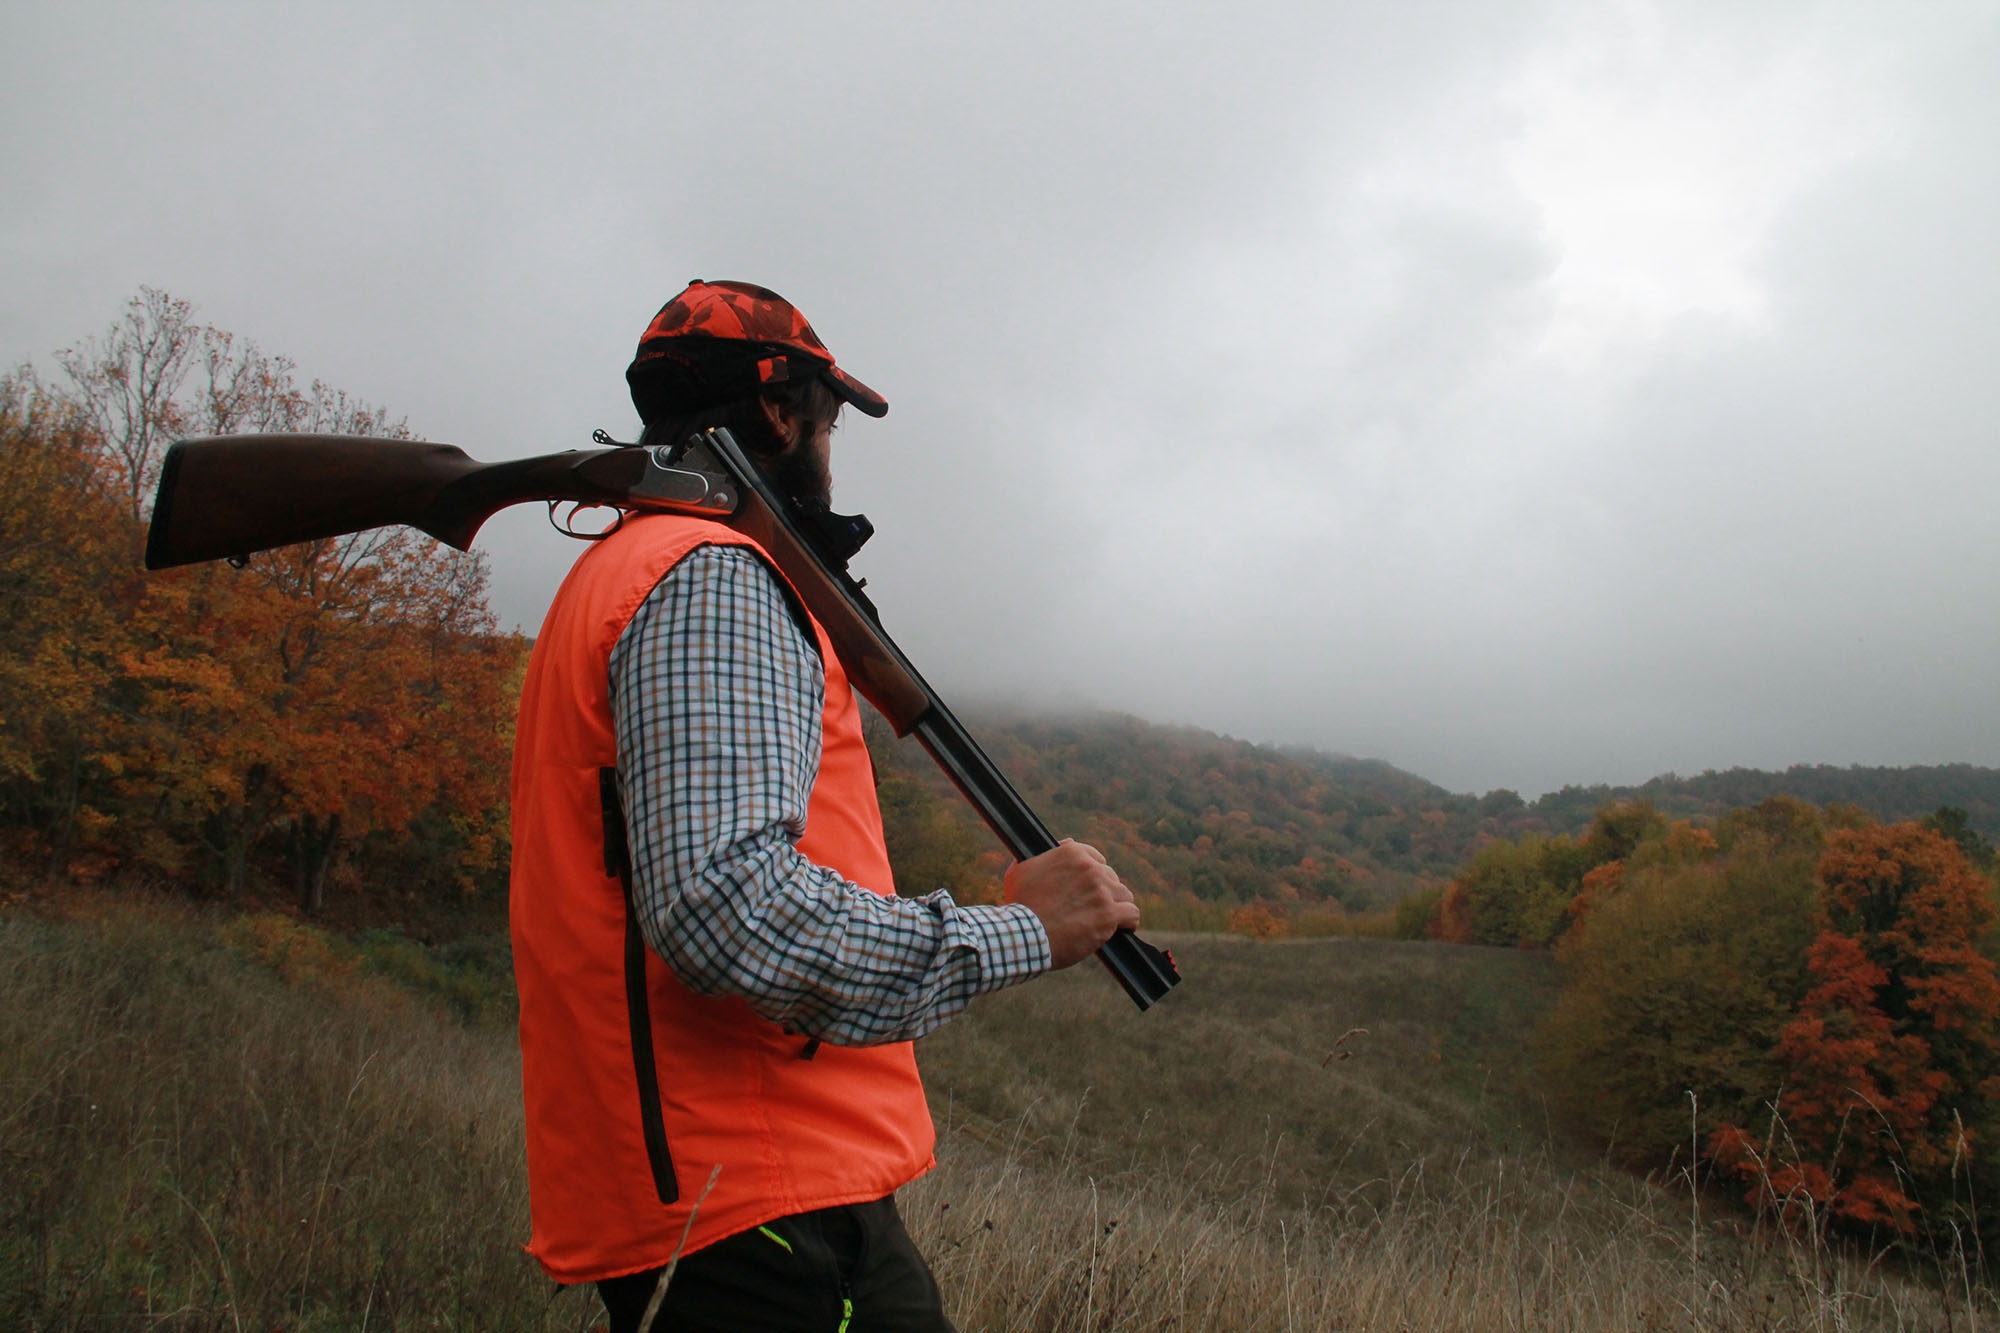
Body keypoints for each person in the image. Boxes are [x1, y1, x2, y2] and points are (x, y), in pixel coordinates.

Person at [508, 279, 1141, 1332]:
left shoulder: (618, 571)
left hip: (714, 1197)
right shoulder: (714, 578)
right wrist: (1022, 929)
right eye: (830, 413)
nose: (832, 442)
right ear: (776, 408)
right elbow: (728, 907)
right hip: (760, 1204)